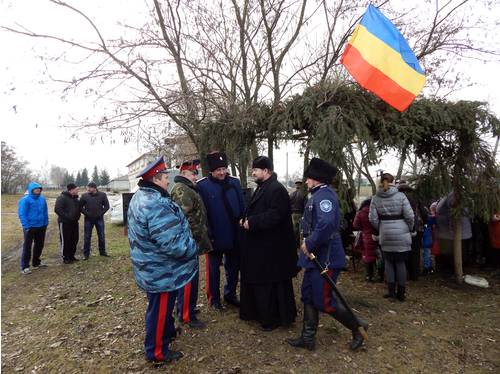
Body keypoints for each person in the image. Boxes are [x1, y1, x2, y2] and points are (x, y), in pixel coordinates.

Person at [287, 158, 367, 352]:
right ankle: (307, 338)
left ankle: (358, 327)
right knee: (307, 295)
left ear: (317, 179)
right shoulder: (317, 194)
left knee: (324, 300)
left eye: (308, 178)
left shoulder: (324, 196)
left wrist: (310, 243)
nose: (306, 182)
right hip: (315, 258)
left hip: (326, 259)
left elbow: (326, 225)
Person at [127, 157, 198, 363]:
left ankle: (166, 333)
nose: (168, 181)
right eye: (166, 177)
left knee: (161, 307)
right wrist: (192, 248)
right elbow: (172, 243)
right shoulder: (155, 203)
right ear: (156, 179)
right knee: (159, 310)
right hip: (161, 269)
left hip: (150, 265)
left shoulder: (141, 196)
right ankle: (157, 352)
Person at [239, 156, 298, 331]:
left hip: (273, 249)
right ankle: (261, 314)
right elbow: (256, 209)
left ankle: (273, 317)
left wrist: (253, 222)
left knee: (271, 284)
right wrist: (244, 219)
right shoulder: (263, 187)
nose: (253, 173)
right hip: (263, 245)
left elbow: (276, 215)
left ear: (266, 171)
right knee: (263, 282)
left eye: (255, 170)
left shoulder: (276, 189)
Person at [197, 151, 246, 310]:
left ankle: (230, 294)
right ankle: (214, 299)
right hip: (214, 236)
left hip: (234, 235)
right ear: (211, 171)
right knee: (213, 271)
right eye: (218, 170)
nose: (222, 172)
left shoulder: (234, 183)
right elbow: (202, 214)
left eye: (224, 168)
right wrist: (207, 234)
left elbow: (242, 207)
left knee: (233, 267)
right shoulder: (202, 186)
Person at [170, 159, 213, 329]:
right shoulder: (182, 190)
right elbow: (180, 219)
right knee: (188, 280)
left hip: (192, 242)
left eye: (196, 173)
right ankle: (186, 315)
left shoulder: (188, 188)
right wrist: (186, 242)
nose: (196, 176)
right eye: (193, 173)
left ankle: (187, 308)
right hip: (188, 243)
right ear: (183, 174)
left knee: (191, 279)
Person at [369, 173, 414, 301]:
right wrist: (409, 228)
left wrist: (381, 228)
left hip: (385, 232)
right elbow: (410, 216)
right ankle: (401, 293)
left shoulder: (375, 197)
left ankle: (391, 293)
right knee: (400, 263)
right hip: (402, 232)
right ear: (393, 181)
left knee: (388, 262)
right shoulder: (401, 196)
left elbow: (372, 218)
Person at [397, 181, 426, 281]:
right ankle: (415, 274)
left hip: (402, 229)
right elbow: (423, 211)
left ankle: (406, 272)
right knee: (415, 251)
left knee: (405, 250)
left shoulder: (397, 198)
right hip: (418, 227)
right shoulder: (416, 197)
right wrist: (425, 223)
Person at [17, 182, 49, 274]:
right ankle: (25, 267)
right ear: (31, 190)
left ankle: (36, 262)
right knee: (27, 247)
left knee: (39, 245)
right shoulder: (25, 200)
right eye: (36, 189)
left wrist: (46, 222)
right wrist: (26, 226)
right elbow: (22, 214)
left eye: (39, 189)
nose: (38, 190)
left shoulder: (42, 199)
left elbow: (45, 211)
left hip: (41, 226)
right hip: (30, 227)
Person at [80, 181, 110, 259]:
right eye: (87, 187)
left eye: (89, 188)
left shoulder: (102, 195)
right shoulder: (84, 196)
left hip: (99, 219)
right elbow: (80, 207)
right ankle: (86, 255)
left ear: (94, 188)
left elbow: (107, 206)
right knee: (87, 236)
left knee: (101, 236)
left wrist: (101, 213)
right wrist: (87, 214)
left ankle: (102, 252)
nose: (88, 189)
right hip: (88, 219)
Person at [55, 183, 81, 264]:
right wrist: (68, 217)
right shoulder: (62, 198)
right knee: (66, 240)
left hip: (74, 223)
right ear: (71, 190)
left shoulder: (75, 199)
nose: (78, 190)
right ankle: (65, 257)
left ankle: (71, 256)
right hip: (65, 223)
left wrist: (77, 217)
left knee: (74, 239)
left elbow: (78, 209)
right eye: (76, 189)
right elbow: (58, 209)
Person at [352, 197, 378, 282]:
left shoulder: (360, 212)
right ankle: (377, 274)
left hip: (366, 237)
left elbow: (355, 225)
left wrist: (363, 228)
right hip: (377, 235)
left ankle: (368, 275)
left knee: (367, 256)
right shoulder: (377, 211)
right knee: (377, 255)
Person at [422, 202, 437, 274]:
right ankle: (430, 267)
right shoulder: (430, 219)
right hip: (428, 239)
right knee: (428, 253)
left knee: (426, 253)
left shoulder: (426, 220)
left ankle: (426, 268)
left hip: (426, 239)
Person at [289, 180, 305, 248]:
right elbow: (305, 205)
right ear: (301, 185)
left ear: (296, 185)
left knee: (294, 229)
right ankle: (300, 245)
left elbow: (288, 204)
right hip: (301, 214)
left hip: (293, 214)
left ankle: (293, 244)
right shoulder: (303, 194)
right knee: (300, 230)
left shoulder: (292, 194)